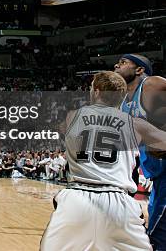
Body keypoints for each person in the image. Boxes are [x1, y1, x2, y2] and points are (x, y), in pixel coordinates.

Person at [41, 71, 166, 250]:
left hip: (76, 198)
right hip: (119, 203)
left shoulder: (70, 117)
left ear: (97, 91)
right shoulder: (136, 124)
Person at [115, 53, 166, 250]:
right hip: (157, 177)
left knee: (155, 238)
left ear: (139, 70)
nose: (117, 65)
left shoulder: (151, 84)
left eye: (123, 62)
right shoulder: (122, 102)